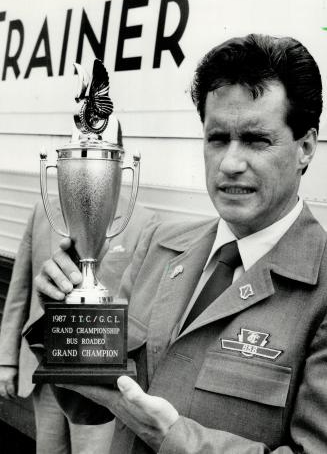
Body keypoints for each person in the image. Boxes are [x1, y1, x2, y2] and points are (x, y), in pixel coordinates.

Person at [34, 34, 327, 453]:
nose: (230, 163)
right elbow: (96, 407)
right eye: (217, 138)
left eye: (257, 140)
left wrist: (169, 436)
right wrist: (68, 319)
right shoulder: (163, 245)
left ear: (306, 148)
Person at [0, 195, 158, 454]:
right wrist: (5, 360)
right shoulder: (43, 210)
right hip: (45, 366)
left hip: (96, 378)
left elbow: (137, 303)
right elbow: (20, 286)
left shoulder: (141, 220)